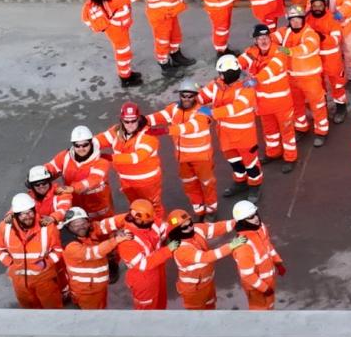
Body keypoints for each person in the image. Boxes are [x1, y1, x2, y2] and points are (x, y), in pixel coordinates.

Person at [150, 86, 220, 219]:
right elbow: (159, 116)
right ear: (180, 95)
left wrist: (165, 130)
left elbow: (190, 127)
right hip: (183, 159)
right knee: (190, 185)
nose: (186, 99)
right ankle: (199, 210)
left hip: (202, 159)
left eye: (190, 96)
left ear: (195, 96)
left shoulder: (204, 111)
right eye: (184, 96)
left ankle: (211, 211)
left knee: (207, 185)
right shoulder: (174, 108)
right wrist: (141, 120)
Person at [199, 53, 263, 196]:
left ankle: (255, 185)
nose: (219, 76)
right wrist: (191, 101)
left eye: (221, 73)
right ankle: (240, 181)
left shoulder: (247, 89)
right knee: (234, 161)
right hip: (225, 136)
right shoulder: (216, 86)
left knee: (251, 164)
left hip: (244, 138)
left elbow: (234, 109)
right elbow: (201, 97)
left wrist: (209, 112)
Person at [242, 23, 299, 171]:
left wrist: (256, 79)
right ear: (255, 40)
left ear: (270, 37)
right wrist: (230, 68)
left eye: (266, 36)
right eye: (259, 38)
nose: (263, 40)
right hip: (263, 104)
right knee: (269, 131)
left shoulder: (280, 51)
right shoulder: (251, 52)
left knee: (287, 132)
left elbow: (272, 69)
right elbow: (241, 61)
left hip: (282, 104)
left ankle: (290, 157)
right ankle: (273, 153)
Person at [0, 193, 63, 309]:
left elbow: (58, 250)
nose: (27, 216)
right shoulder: (5, 227)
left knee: (53, 309)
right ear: (15, 215)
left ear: (34, 210)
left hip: (45, 280)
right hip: (20, 282)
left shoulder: (48, 227)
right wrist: (10, 263)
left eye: (30, 212)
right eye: (22, 214)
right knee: (29, 311)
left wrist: (46, 263)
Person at [163, 210, 241, 310]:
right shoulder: (181, 250)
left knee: (210, 305)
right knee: (196, 313)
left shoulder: (196, 229)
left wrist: (236, 222)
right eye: (185, 227)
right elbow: (206, 257)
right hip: (193, 290)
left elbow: (215, 228)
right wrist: (230, 246)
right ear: (176, 231)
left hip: (207, 283)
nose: (190, 227)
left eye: (190, 223)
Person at [99, 101, 166, 211]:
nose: (130, 124)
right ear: (121, 120)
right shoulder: (117, 130)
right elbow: (100, 140)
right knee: (136, 207)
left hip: (147, 183)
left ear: (139, 119)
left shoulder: (148, 135)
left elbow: (136, 157)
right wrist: (85, 145)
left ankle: (158, 227)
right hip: (127, 182)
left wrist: (109, 158)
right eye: (127, 121)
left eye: (133, 121)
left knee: (152, 208)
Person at [278, 6, 330, 147]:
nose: (295, 22)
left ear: (302, 20)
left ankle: (321, 131)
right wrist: (264, 40)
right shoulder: (285, 32)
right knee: (296, 106)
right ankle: (301, 127)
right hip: (292, 78)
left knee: (317, 105)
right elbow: (273, 38)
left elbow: (306, 49)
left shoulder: (310, 34)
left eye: (298, 19)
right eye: (292, 20)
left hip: (310, 78)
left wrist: (285, 51)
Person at [107, 197, 171, 310]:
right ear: (138, 219)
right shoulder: (127, 241)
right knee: (146, 309)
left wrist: (177, 223)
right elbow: (143, 265)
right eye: (149, 220)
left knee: (161, 301)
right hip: (143, 281)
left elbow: (165, 226)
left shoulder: (149, 220)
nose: (153, 221)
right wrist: (168, 250)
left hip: (158, 270)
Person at [60, 208, 129, 310]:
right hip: (86, 292)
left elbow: (110, 223)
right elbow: (93, 253)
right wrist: (116, 240)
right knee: (92, 318)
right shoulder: (70, 246)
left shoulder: (90, 229)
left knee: (101, 310)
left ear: (88, 222)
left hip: (99, 287)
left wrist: (132, 215)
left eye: (83, 222)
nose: (81, 227)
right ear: (68, 226)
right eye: (76, 225)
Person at [81, 0, 141, 88]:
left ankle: (127, 73)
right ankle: (125, 79)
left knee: (125, 52)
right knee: (123, 53)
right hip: (116, 30)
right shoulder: (112, 0)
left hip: (121, 27)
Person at [39, 125, 114, 218]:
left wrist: (73, 188)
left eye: (85, 145)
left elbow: (94, 180)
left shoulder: (101, 161)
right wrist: (38, 175)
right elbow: (51, 167)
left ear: (91, 142)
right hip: (76, 207)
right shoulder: (65, 156)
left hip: (98, 208)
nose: (81, 148)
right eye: (77, 145)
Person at [229, 200, 284, 310]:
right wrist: (264, 288)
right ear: (242, 221)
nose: (256, 219)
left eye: (255, 214)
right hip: (256, 289)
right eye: (250, 217)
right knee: (259, 310)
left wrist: (278, 262)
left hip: (269, 280)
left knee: (269, 305)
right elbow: (247, 275)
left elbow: (268, 246)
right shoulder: (243, 246)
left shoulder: (260, 228)